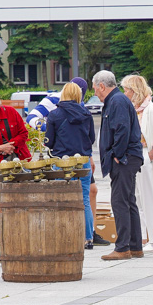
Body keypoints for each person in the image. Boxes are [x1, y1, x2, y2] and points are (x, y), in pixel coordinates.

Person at [93, 70, 144, 261]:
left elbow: (121, 129)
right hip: (127, 158)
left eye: (95, 87)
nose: (94, 92)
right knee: (128, 201)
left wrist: (117, 154)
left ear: (102, 86)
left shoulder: (117, 101)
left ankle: (123, 248)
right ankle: (134, 246)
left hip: (124, 159)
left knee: (119, 202)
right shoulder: (117, 100)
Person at [45, 82, 97, 249]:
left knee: (61, 200)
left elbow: (49, 141)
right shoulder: (87, 114)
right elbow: (92, 139)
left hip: (62, 162)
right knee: (84, 201)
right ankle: (88, 238)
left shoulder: (54, 115)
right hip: (83, 161)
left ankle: (65, 236)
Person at [121, 74, 153, 254]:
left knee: (149, 200)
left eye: (127, 89)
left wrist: (148, 157)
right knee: (136, 200)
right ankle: (140, 238)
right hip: (133, 157)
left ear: (135, 91)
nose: (124, 93)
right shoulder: (131, 109)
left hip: (146, 158)